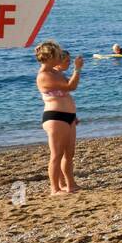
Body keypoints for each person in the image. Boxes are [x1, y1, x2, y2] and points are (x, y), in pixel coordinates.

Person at [35, 40, 84, 194]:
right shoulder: (44, 76)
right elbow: (71, 86)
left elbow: (67, 89)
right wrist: (77, 69)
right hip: (55, 117)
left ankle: (70, 185)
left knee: (69, 154)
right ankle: (54, 188)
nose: (60, 57)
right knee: (56, 155)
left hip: (68, 116)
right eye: (57, 55)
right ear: (50, 57)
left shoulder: (56, 72)